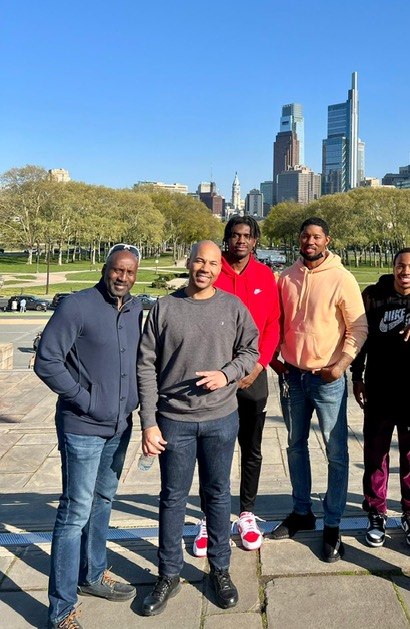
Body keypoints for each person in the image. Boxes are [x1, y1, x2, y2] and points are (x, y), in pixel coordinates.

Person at [137, 240, 259, 616]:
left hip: (221, 420)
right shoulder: (164, 307)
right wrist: (148, 422)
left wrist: (227, 374)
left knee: (218, 496)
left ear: (220, 268)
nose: (204, 268)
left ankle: (220, 569)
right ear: (188, 263)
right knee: (173, 498)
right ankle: (168, 573)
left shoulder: (233, 306)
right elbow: (145, 366)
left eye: (211, 263)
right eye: (198, 261)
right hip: (175, 421)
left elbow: (251, 351)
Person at [35, 244, 142, 629]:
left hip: (119, 427)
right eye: (117, 270)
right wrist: (84, 398)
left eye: (130, 272)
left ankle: (92, 574)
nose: (122, 277)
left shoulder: (134, 309)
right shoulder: (76, 306)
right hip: (82, 427)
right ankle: (61, 610)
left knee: (102, 501)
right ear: (105, 268)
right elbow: (46, 360)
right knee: (74, 513)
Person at [270, 217, 368, 562]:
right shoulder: (286, 277)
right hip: (293, 375)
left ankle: (333, 523)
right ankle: (301, 510)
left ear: (327, 239)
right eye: (304, 236)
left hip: (327, 377)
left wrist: (340, 365)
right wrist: (274, 357)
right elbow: (275, 321)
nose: (309, 241)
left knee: (336, 451)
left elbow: (359, 327)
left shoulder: (342, 278)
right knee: (295, 445)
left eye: (316, 236)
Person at [192, 216, 280, 555]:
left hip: (252, 377)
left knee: (251, 449)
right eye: (234, 235)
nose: (240, 241)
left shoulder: (264, 276)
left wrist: (258, 366)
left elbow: (273, 325)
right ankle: (208, 517)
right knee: (212, 451)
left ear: (255, 240)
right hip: (215, 378)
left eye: (247, 236)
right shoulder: (215, 271)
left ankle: (247, 513)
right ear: (226, 238)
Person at [351, 248, 410, 550]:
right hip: (378, 389)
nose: (406, 272)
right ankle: (376, 512)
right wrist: (357, 376)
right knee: (375, 456)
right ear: (393, 268)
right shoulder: (374, 295)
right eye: (401, 266)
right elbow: (361, 337)